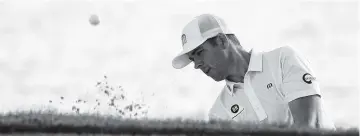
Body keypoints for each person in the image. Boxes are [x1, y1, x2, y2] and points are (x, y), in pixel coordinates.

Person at [171, 14, 335, 129]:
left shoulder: (283, 59)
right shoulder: (218, 113)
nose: (197, 65)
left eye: (199, 53)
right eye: (193, 59)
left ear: (221, 41)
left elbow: (308, 127)